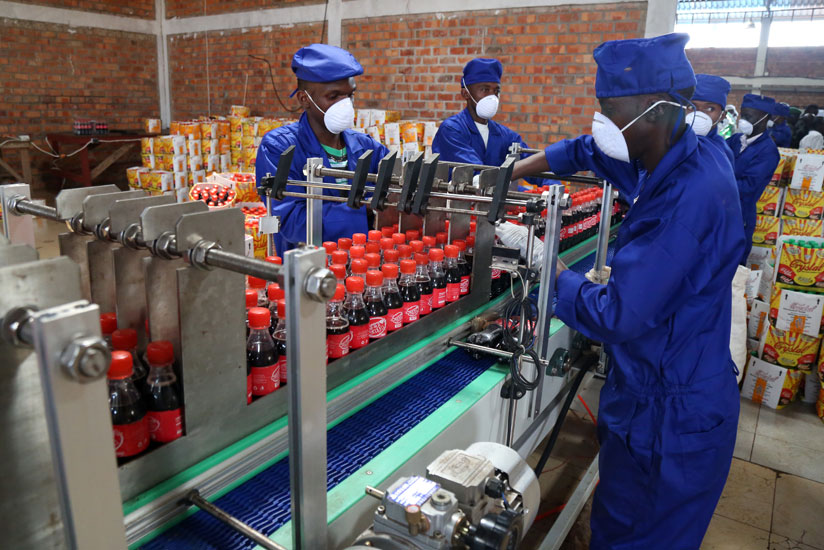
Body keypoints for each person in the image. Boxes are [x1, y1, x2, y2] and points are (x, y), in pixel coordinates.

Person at [498, 33, 744, 550]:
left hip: (669, 417)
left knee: (634, 539)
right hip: (657, 390)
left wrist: (545, 262)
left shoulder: (688, 199)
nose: (600, 121)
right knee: (616, 526)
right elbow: (587, 150)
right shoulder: (668, 151)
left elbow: (617, 315)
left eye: (608, 110)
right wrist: (509, 175)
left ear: (653, 111)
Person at [256, 44, 389, 253]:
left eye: (350, 95)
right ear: (304, 99)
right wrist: (365, 210)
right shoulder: (280, 148)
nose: (345, 105)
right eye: (334, 96)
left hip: (364, 264)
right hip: (308, 267)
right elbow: (292, 221)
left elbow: (396, 186)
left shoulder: (366, 147)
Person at [432, 58, 548, 190]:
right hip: (455, 206)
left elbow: (532, 166)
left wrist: (551, 187)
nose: (492, 97)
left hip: (493, 207)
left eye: (496, 91)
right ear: (465, 93)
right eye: (484, 89)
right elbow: (479, 177)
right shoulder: (452, 130)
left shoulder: (505, 136)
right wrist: (529, 195)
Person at [727, 93, 780, 262]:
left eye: (749, 117)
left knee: (730, 261)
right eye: (743, 115)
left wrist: (714, 183)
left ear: (765, 119)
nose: (743, 120)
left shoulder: (768, 151)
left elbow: (748, 187)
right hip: (719, 209)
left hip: (739, 215)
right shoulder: (736, 140)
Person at [687, 74, 734, 165]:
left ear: (722, 116)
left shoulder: (722, 155)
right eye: (691, 107)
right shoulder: (666, 142)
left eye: (709, 109)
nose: (698, 114)